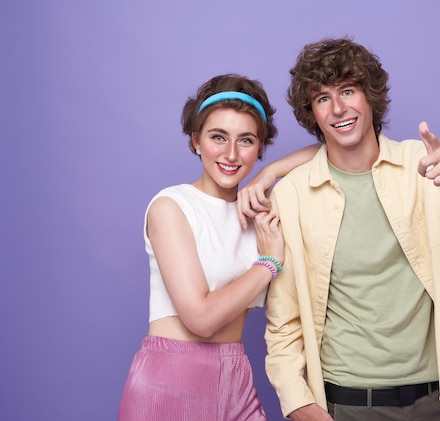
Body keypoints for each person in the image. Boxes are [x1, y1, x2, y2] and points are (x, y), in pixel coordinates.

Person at [241, 38, 440, 420]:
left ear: (370, 96)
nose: (338, 107)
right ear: (313, 113)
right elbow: (283, 321)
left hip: (434, 401)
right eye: (322, 98)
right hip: (347, 406)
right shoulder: (292, 194)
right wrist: (299, 404)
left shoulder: (420, 166)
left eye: (347, 90)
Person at [118, 74, 317, 421]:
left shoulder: (259, 212)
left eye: (246, 141)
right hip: (169, 381)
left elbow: (337, 148)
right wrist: (268, 264)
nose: (230, 153)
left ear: (260, 147)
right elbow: (201, 318)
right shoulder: (172, 206)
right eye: (218, 137)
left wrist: (270, 173)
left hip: (235, 375)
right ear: (196, 140)